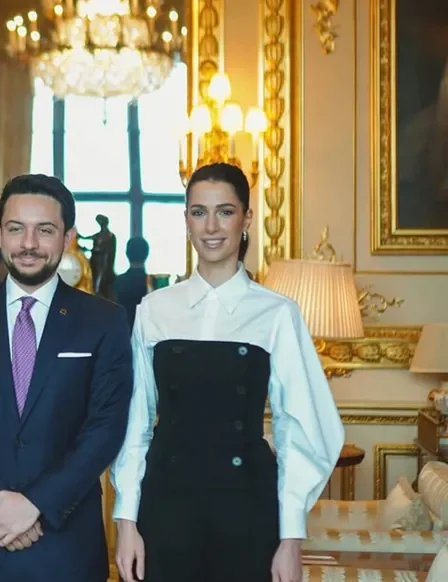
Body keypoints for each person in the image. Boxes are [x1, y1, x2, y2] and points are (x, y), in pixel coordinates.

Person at [111, 162, 345, 582]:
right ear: (186, 219)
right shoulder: (154, 309)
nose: (211, 226)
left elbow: (302, 428)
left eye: (225, 211)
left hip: (247, 507)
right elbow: (134, 424)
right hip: (166, 506)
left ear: (246, 218)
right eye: (199, 212)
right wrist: (126, 521)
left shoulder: (277, 313)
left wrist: (291, 539)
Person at [0, 173, 134, 582]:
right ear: (0, 234)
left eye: (45, 230)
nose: (29, 243)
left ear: (68, 238)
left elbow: (105, 428)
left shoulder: (104, 321)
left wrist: (35, 505)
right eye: (16, 229)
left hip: (64, 546)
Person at [113, 237, 150, 333]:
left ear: (126, 253)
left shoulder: (117, 282)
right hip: (146, 332)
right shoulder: (151, 283)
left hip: (122, 332)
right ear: (147, 254)